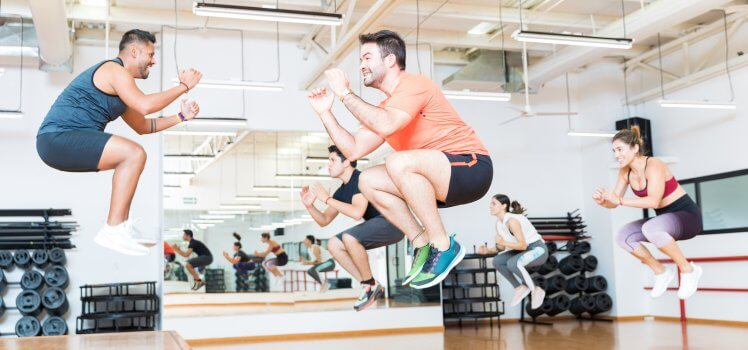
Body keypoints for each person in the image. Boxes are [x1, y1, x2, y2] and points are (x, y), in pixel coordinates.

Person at [306, 30, 492, 289]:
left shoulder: (415, 84)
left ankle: (444, 244)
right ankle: (421, 242)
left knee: (397, 161)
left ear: (390, 60)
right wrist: (326, 113)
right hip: (435, 179)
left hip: (470, 168)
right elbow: (353, 151)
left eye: (367, 57)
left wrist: (345, 94)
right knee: (368, 180)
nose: (361, 65)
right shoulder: (384, 108)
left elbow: (388, 123)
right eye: (360, 59)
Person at [36, 29, 202, 256]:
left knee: (132, 155)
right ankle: (113, 228)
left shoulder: (124, 90)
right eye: (151, 55)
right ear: (134, 51)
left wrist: (181, 117)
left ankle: (119, 227)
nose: (153, 61)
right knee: (133, 154)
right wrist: (184, 87)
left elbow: (144, 126)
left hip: (59, 143)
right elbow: (144, 105)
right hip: (57, 138)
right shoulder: (114, 70)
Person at [593, 126, 702, 300]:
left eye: (620, 149)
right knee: (623, 236)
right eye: (614, 151)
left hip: (687, 217)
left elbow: (653, 201)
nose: (616, 155)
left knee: (651, 229)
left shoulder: (654, 164)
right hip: (665, 220)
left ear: (635, 148)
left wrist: (618, 201)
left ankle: (689, 270)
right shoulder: (624, 172)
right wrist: (604, 202)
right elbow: (614, 202)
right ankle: (661, 272)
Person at [301, 145, 404, 311]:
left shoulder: (361, 179)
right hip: (379, 224)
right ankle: (369, 284)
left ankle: (369, 284)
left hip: (394, 222)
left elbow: (357, 212)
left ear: (347, 162)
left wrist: (326, 198)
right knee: (334, 244)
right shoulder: (341, 191)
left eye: (332, 160)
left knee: (349, 238)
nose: (329, 165)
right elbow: (324, 219)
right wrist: (309, 206)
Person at [478, 195, 548, 309]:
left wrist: (503, 242)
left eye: (493, 203)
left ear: (504, 206)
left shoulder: (512, 221)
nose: (490, 206)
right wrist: (488, 250)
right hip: (522, 251)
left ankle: (536, 290)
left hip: (538, 250)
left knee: (513, 263)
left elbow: (523, 245)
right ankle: (520, 288)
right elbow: (501, 248)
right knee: (497, 261)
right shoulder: (498, 224)